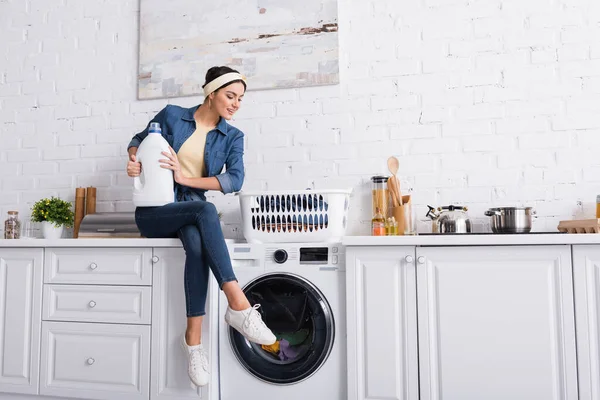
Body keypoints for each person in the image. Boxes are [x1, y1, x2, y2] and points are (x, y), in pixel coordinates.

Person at [126, 66, 276, 388]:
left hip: (191, 211)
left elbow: (235, 179)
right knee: (205, 210)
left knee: (196, 244)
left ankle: (192, 342)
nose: (236, 104)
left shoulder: (233, 136)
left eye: (240, 99)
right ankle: (238, 305)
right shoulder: (172, 115)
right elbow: (138, 139)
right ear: (211, 93)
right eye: (230, 95)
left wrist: (185, 179)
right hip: (155, 210)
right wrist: (134, 158)